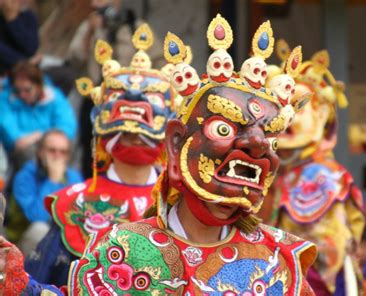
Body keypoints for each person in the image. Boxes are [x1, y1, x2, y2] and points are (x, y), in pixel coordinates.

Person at [0, 16, 317, 295]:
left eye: (271, 140)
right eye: (224, 130)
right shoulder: (124, 248)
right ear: (177, 143)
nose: (256, 146)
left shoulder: (278, 260)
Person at [19, 24, 176, 288]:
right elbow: (39, 281)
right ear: (100, 124)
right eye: (125, 130)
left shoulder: (182, 203)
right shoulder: (75, 201)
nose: (135, 134)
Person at [262, 41, 365, 295]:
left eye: (297, 106)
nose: (285, 115)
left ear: (321, 115)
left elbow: (325, 253)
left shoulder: (323, 176)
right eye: (277, 106)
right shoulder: (264, 168)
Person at [68, 0, 165, 178]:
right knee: (92, 150)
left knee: (129, 146)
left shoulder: (136, 26)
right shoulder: (90, 26)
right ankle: (93, 186)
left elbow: (159, 60)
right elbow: (75, 58)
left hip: (132, 102)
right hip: (96, 100)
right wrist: (91, 30)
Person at [12, 130, 83, 255]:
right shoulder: (24, 177)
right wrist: (52, 181)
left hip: (62, 240)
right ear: (40, 152)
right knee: (40, 229)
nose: (57, 156)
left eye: (63, 152)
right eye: (52, 150)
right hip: (22, 244)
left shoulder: (74, 177)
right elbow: (37, 217)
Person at [0, 61, 77, 169]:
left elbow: (67, 127)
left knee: (62, 147)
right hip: (19, 154)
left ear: (38, 86)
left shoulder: (54, 97)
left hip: (47, 144)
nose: (22, 95)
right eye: (18, 90)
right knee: (27, 152)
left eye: (27, 90)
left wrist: (40, 135)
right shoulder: (5, 100)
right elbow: (15, 139)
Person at [0, 0, 39, 75]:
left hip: (26, 74)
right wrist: (26, 62)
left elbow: (31, 48)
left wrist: (12, 19)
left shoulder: (28, 16)